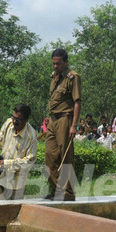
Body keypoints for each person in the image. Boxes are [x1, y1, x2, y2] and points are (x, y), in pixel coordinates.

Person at [45, 49, 81, 201]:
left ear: (66, 62)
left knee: (65, 157)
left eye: (58, 63)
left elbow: (77, 102)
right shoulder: (55, 77)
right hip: (53, 121)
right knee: (50, 157)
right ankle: (55, 191)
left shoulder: (73, 77)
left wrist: (74, 125)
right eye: (53, 63)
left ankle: (67, 193)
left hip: (65, 120)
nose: (55, 66)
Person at [0, 103, 37, 200]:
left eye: (18, 119)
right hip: (3, 178)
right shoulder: (8, 123)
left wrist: (7, 163)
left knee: (14, 212)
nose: (14, 121)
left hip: (17, 184)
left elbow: (30, 160)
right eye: (13, 117)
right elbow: (0, 135)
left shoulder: (31, 136)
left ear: (26, 119)